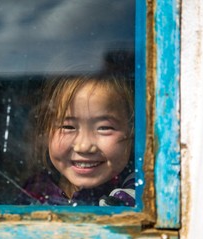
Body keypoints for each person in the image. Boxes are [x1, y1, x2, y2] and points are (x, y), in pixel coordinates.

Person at [18, 73, 135, 206]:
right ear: (46, 131)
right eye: (68, 127)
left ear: (132, 132)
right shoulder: (35, 190)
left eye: (104, 128)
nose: (84, 146)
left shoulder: (139, 195)